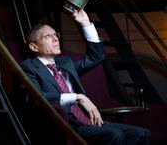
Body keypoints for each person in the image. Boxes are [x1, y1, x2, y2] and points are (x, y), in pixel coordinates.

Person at [20, 9, 151, 144]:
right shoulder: (29, 67)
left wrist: (86, 24)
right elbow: (37, 97)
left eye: (55, 34)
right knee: (115, 135)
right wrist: (79, 97)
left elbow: (95, 57)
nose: (55, 39)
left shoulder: (65, 64)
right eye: (48, 36)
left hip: (88, 120)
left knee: (141, 134)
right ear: (34, 47)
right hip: (65, 125)